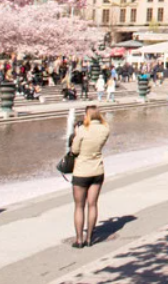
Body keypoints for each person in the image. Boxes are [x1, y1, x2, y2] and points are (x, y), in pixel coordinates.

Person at [69, 105, 110, 248]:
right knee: (93, 205)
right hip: (97, 171)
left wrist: (76, 133)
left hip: (82, 171)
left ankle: (79, 240)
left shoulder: (82, 130)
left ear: (88, 115)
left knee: (79, 206)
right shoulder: (105, 129)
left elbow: (74, 150)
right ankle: (89, 239)